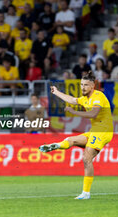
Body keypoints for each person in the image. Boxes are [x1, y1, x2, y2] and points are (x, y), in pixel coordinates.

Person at [39, 71, 113, 200]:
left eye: (85, 85)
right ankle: (56, 146)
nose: (82, 87)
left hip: (103, 132)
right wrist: (56, 92)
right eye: (81, 84)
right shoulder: (84, 99)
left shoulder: (98, 96)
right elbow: (72, 100)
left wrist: (74, 112)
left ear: (92, 86)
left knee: (86, 158)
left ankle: (86, 193)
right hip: (94, 131)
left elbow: (93, 114)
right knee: (71, 140)